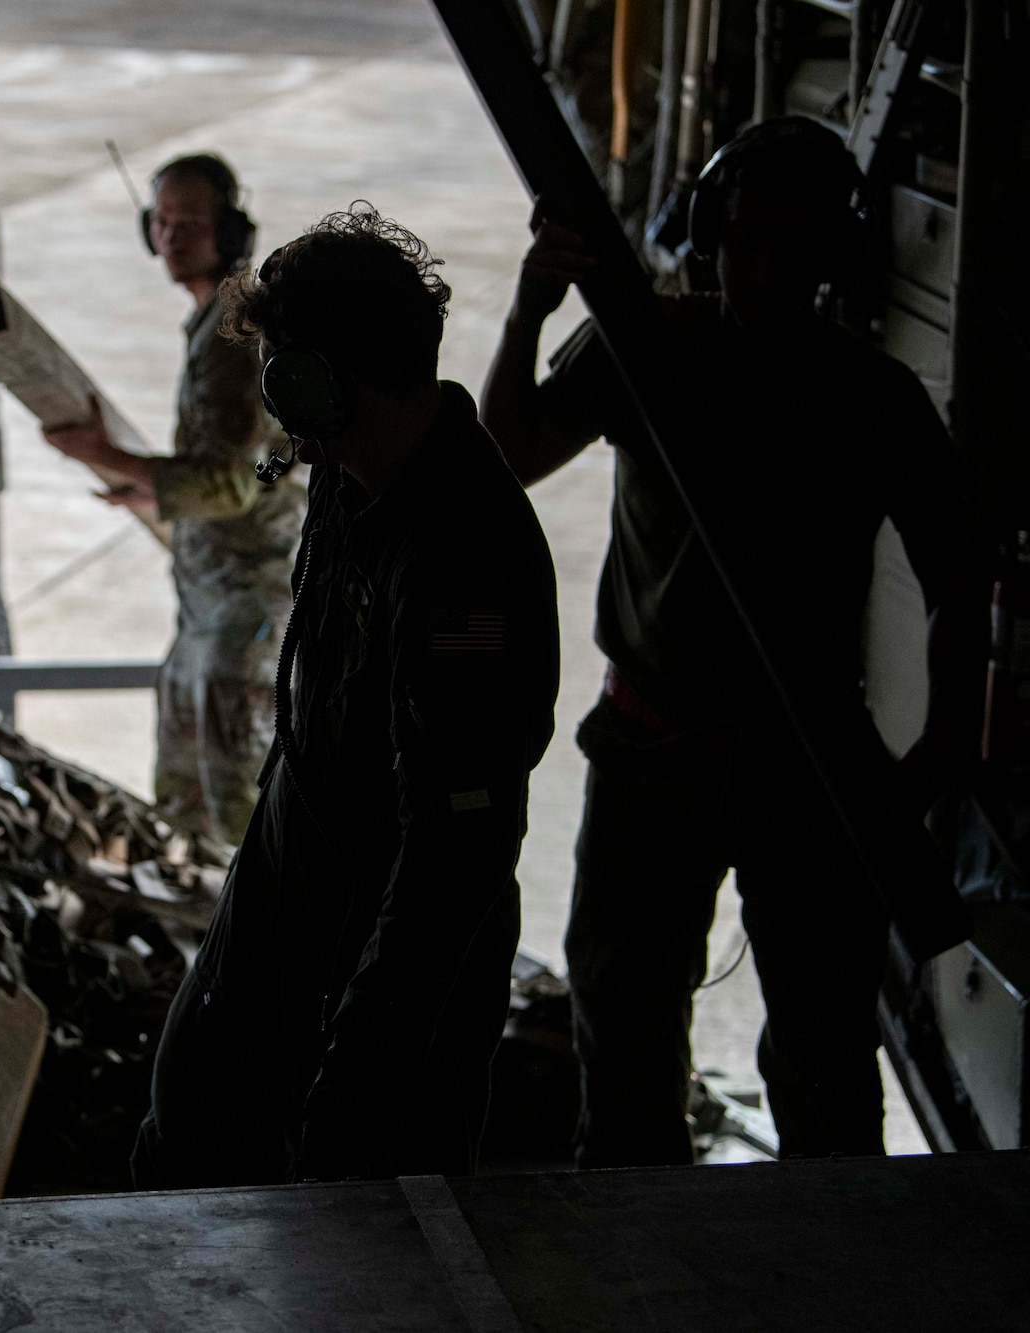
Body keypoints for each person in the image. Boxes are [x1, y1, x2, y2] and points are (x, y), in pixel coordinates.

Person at [479, 117, 983, 1167]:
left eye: (794, 251)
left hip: (801, 756)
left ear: (833, 261)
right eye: (743, 240)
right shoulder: (642, 343)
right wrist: (528, 309)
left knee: (824, 1053)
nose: (760, 271)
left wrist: (944, 741)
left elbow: (956, 579)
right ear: (710, 231)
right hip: (652, 744)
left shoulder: (868, 394)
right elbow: (507, 457)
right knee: (619, 1035)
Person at [132, 206, 561, 1187]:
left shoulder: (466, 558)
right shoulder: (346, 471)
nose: (275, 395)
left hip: (400, 928)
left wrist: (366, 1047)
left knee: (366, 1220)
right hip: (295, 861)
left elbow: (454, 847)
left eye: (283, 366)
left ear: (328, 376)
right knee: (187, 1120)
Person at [42, 154, 305, 846]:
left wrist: (100, 451)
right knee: (183, 819)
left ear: (231, 231)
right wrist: (144, 488)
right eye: (161, 222)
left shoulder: (235, 334)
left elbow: (229, 481)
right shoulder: (213, 324)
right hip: (207, 613)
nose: (171, 237)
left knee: (239, 833)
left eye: (190, 223)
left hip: (242, 623)